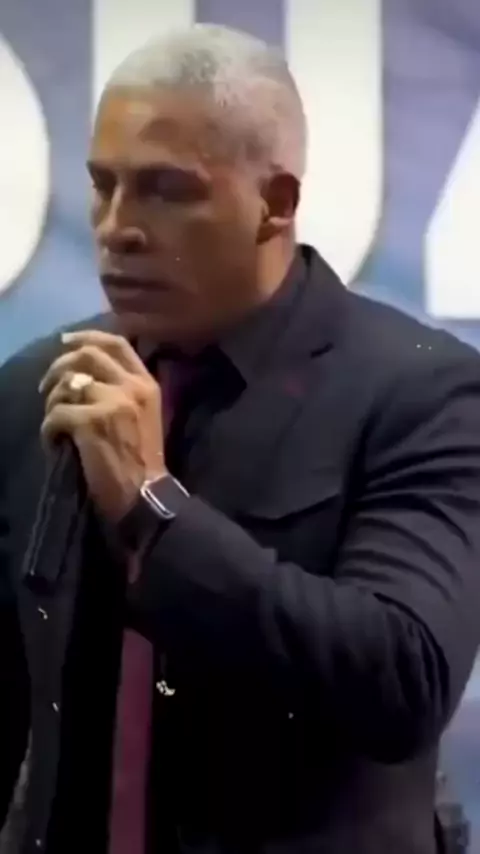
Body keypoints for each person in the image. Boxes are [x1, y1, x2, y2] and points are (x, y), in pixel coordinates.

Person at [0, 22, 479, 854]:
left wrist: (153, 510)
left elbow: (404, 680)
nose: (117, 227)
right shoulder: (39, 385)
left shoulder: (422, 392)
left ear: (276, 204)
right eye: (104, 186)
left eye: (166, 190)